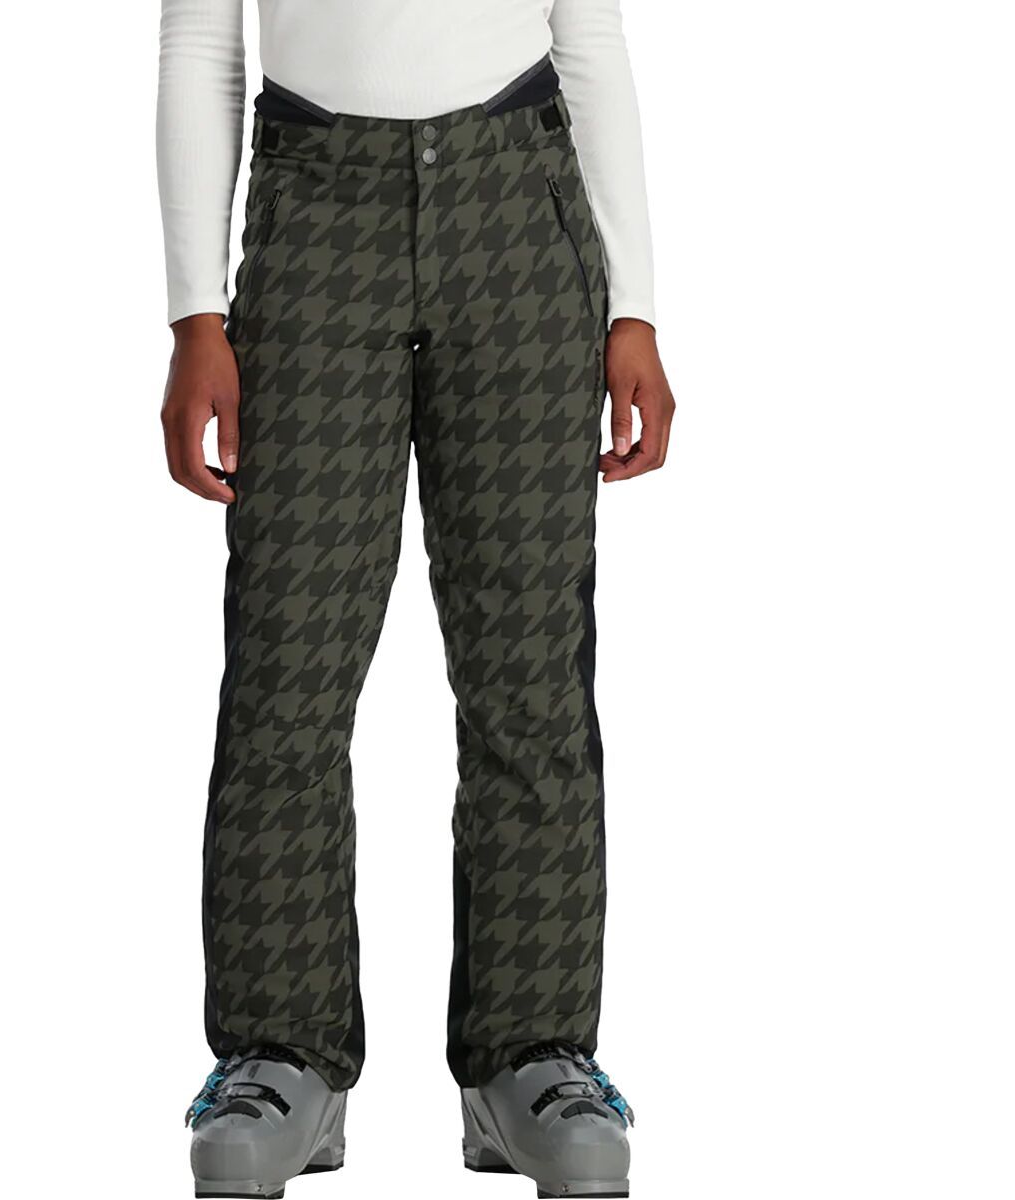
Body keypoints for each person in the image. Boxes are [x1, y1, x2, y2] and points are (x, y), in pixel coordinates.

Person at [157, 2, 675, 1196]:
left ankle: (530, 1059)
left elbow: (587, 34)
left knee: (528, 674)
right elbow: (200, 44)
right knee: (287, 669)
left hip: (520, 214)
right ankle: (281, 1057)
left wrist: (635, 305)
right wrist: (195, 316)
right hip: (313, 215)